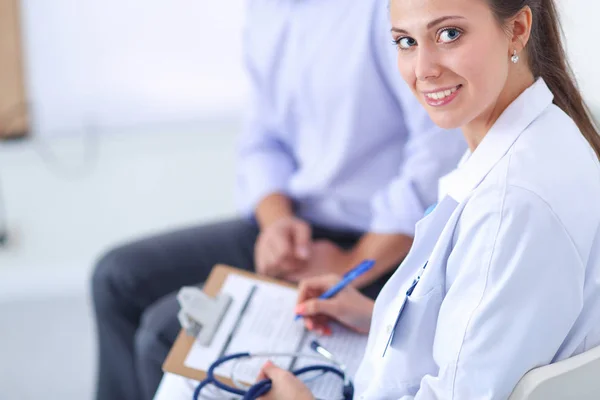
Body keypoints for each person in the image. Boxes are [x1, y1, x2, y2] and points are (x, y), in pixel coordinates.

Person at [90, 0, 465, 399]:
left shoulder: (384, 12)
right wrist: (276, 223)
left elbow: (437, 156)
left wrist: (351, 262)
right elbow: (261, 138)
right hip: (298, 223)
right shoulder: (265, 11)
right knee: (116, 277)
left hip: (382, 244)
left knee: (167, 334)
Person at [253, 0, 600, 399]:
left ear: (518, 29)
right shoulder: (538, 138)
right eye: (406, 41)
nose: (423, 69)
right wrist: (379, 320)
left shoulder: (512, 203)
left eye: (449, 34)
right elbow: (488, 328)